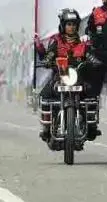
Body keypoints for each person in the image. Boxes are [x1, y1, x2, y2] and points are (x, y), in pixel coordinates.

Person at [39, 9, 101, 142]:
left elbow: (90, 56)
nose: (71, 27)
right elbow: (49, 56)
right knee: (44, 95)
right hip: (59, 79)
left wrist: (94, 62)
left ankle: (91, 126)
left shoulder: (83, 44)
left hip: (78, 79)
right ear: (63, 25)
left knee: (92, 94)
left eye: (74, 24)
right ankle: (46, 127)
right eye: (68, 24)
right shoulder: (56, 42)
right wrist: (47, 61)